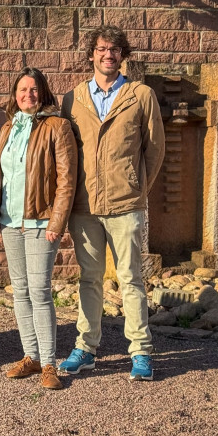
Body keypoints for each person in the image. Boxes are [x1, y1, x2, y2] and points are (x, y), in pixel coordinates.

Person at [59, 26, 165, 381]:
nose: (108, 55)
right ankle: (85, 347)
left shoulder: (141, 95)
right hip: (84, 205)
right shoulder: (72, 99)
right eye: (102, 49)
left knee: (131, 278)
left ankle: (140, 351)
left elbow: (155, 149)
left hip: (125, 205)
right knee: (88, 278)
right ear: (91, 54)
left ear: (123, 55)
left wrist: (136, 188)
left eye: (115, 49)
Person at [0, 68, 77, 390]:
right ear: (15, 94)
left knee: (40, 291)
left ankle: (48, 363)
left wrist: (57, 222)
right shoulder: (7, 128)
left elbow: (66, 180)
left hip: (41, 222)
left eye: (33, 89)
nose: (27, 94)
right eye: (22, 89)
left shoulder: (57, 126)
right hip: (10, 221)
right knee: (21, 291)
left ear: (43, 93)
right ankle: (30, 356)